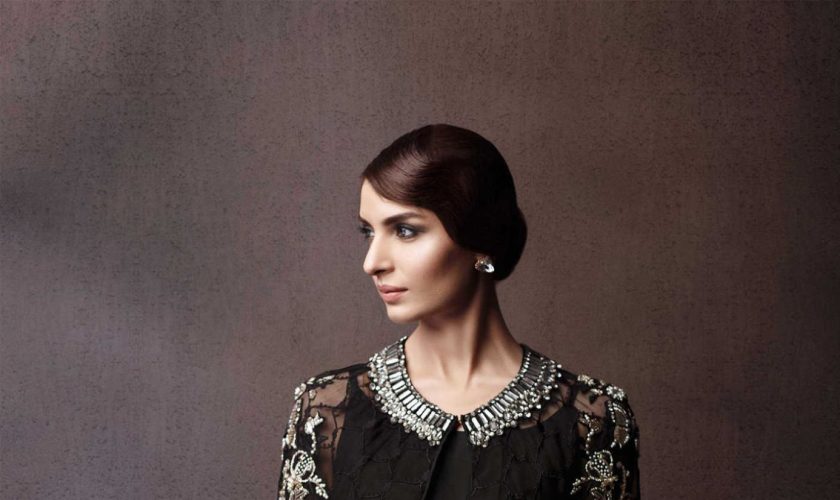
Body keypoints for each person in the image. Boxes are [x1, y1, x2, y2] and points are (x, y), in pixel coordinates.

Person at [276, 124, 640, 499]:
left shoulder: (592, 421)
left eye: (404, 230)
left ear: (480, 238)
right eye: (368, 232)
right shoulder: (327, 410)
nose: (372, 262)